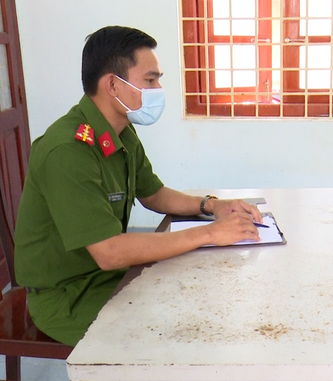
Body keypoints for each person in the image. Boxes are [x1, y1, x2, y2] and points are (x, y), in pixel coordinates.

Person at [13, 25, 264, 346]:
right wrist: (210, 234)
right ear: (113, 85)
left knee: (197, 290)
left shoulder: (121, 131)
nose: (158, 89)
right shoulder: (67, 150)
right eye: (150, 80)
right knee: (176, 331)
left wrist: (211, 205)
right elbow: (109, 253)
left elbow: (154, 194)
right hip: (68, 297)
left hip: (107, 277)